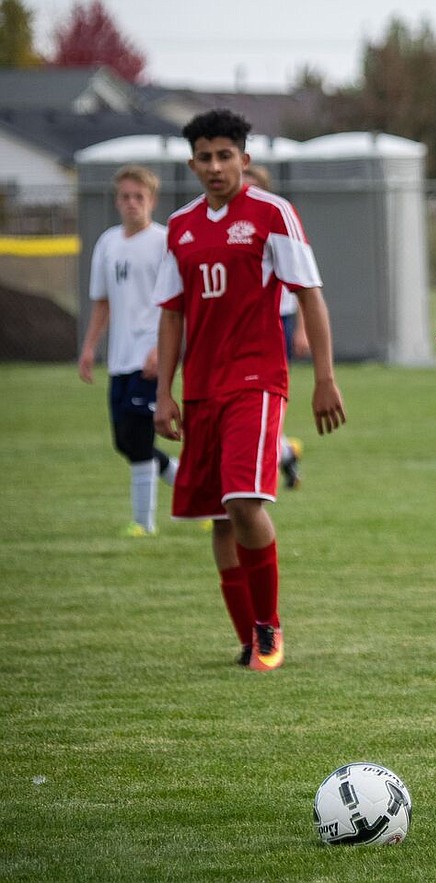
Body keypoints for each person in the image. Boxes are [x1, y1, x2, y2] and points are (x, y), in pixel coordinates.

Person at [153, 108, 347, 671]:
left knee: (243, 500)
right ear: (192, 163)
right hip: (201, 390)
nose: (215, 167)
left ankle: (269, 629)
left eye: (225, 156)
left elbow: (310, 294)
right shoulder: (181, 227)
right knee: (219, 515)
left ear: (245, 158)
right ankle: (246, 639)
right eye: (205, 158)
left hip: (257, 381)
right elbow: (171, 315)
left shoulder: (272, 214)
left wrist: (325, 379)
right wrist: (166, 392)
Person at [78, 164, 178, 537]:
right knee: (124, 441)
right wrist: (89, 348)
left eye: (139, 196)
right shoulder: (108, 243)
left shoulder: (165, 242)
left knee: (139, 439)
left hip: (150, 356)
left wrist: (160, 348)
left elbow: (175, 304)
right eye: (125, 197)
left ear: (151, 200)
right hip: (119, 358)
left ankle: (143, 523)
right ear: (117, 200)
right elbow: (102, 302)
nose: (132, 203)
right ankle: (195, 486)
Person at [242, 163, 309, 489]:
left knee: (266, 400)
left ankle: (269, 467)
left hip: (277, 322)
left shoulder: (277, 222)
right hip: (239, 328)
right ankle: (285, 451)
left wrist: (301, 329)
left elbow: (305, 286)